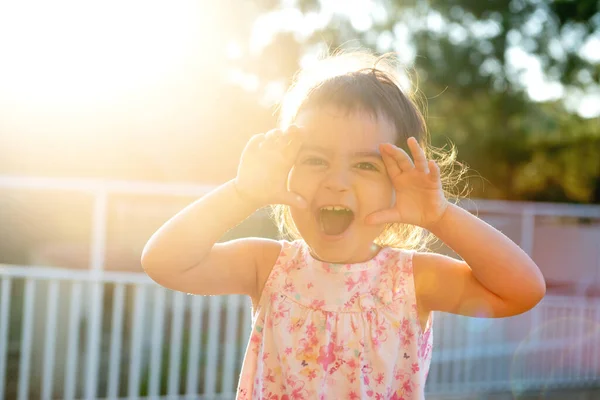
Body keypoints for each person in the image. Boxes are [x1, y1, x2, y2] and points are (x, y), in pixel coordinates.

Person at [141, 51, 546, 400]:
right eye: (315, 159)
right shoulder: (267, 266)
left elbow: (522, 290)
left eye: (365, 165)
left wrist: (439, 215)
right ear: (288, 171)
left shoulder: (412, 279)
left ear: (398, 184)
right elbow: (164, 261)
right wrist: (243, 193)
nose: (336, 181)